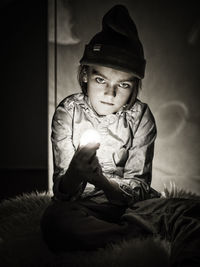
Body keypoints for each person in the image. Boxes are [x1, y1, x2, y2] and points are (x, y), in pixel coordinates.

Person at [41, 4, 160, 253]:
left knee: (178, 211)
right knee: (54, 220)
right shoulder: (68, 112)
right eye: (100, 79)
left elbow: (140, 187)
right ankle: (129, 236)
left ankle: (132, 230)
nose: (110, 93)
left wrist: (102, 181)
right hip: (83, 208)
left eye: (123, 84)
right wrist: (75, 172)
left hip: (128, 208)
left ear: (134, 86)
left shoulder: (141, 117)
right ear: (85, 75)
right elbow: (62, 193)